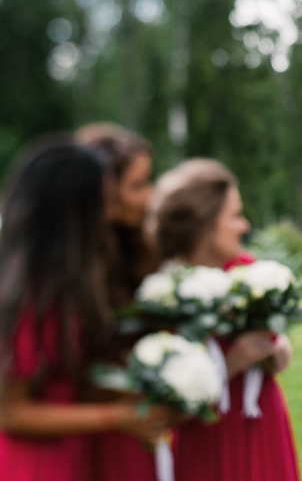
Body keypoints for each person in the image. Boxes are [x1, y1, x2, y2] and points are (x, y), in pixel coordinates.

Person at [0, 139, 171, 481]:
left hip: (69, 457)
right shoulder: (34, 297)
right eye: (104, 203)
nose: (110, 214)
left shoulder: (64, 287)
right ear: (73, 213)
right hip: (34, 465)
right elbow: (11, 412)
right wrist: (117, 417)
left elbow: (64, 386)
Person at [147, 159, 299, 481]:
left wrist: (277, 351)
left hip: (260, 424)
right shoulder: (164, 294)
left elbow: (281, 348)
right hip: (204, 437)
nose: (244, 226)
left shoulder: (246, 270)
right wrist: (232, 363)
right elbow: (161, 405)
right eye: (234, 216)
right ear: (205, 224)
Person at [77, 123, 161, 481]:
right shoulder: (72, 268)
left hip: (134, 427)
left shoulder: (143, 249)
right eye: (137, 185)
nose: (150, 195)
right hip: (84, 428)